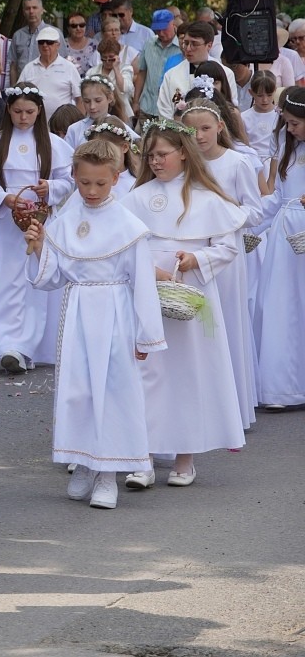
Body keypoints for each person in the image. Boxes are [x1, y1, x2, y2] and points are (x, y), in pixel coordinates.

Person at [24, 139, 166, 509]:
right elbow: (51, 278)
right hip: (77, 311)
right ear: (74, 177)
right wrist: (39, 247)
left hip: (116, 313)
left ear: (116, 179)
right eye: (84, 182)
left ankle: (107, 474)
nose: (91, 191)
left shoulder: (128, 226)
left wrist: (146, 334)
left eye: (100, 184)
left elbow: (143, 284)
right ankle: (84, 461)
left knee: (113, 392)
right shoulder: (65, 222)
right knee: (79, 391)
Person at [120, 119, 246, 487]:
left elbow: (227, 246)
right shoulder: (136, 198)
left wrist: (196, 261)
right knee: (147, 372)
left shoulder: (207, 198)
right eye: (150, 155)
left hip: (191, 295)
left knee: (188, 373)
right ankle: (140, 457)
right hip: (146, 292)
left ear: (183, 155)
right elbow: (122, 242)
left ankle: (185, 457)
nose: (156, 162)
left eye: (163, 155)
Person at [0, 83, 74, 374]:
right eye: (17, 111)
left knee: (35, 282)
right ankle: (2, 344)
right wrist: (6, 198)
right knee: (4, 282)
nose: (23, 117)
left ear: (39, 111)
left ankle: (30, 345)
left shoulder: (52, 144)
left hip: (40, 221)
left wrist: (49, 188)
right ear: (9, 111)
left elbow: (67, 181)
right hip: (6, 223)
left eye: (29, 111)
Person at [185, 99, 263, 430]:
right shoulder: (186, 163)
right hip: (192, 253)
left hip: (226, 256)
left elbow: (255, 211)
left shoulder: (237, 163)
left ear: (219, 127)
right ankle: (202, 402)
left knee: (227, 322)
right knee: (200, 325)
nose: (199, 136)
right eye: (192, 130)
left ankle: (235, 407)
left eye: (205, 128)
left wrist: (223, 217)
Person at [252, 88, 305, 410]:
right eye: (286, 122)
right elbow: (276, 198)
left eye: (296, 123)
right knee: (282, 308)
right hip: (286, 236)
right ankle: (285, 387)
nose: (289, 129)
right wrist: (249, 226)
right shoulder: (287, 147)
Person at [157, 23, 238, 119]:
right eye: (186, 43)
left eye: (194, 44)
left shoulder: (226, 73)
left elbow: (230, 109)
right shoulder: (171, 75)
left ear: (209, 45)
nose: (188, 49)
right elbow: (164, 112)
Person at [18, 26, 82, 118]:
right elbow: (19, 94)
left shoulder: (69, 67)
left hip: (62, 124)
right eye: (41, 42)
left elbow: (79, 98)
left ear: (58, 45)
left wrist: (78, 123)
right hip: (34, 122)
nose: (45, 45)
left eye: (49, 42)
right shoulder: (29, 68)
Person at [131, 9, 179, 122]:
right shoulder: (149, 44)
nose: (161, 33)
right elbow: (142, 73)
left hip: (170, 110)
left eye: (164, 29)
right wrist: (136, 101)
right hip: (147, 106)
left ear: (173, 24)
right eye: (157, 29)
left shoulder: (182, 48)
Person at [9, 0, 57, 84]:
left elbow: (63, 61)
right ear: (23, 12)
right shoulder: (18, 35)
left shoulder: (54, 33)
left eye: (35, 8)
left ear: (42, 10)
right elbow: (13, 66)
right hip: (22, 87)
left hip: (47, 84)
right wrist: (13, 89)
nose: (31, 11)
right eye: (28, 8)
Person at [86, 39, 134, 121]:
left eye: (111, 58)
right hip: (98, 113)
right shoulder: (92, 71)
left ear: (117, 56)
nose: (107, 61)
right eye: (104, 58)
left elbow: (124, 88)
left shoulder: (126, 68)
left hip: (122, 113)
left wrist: (116, 68)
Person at [240, 70, 279, 165]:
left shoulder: (280, 115)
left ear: (275, 91)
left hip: (276, 160)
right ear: (251, 92)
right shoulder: (244, 117)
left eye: (269, 95)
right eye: (260, 95)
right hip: (253, 161)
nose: (265, 100)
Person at [61, 11, 99, 77]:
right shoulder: (62, 44)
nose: (78, 28)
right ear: (68, 29)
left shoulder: (95, 45)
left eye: (82, 25)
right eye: (74, 26)